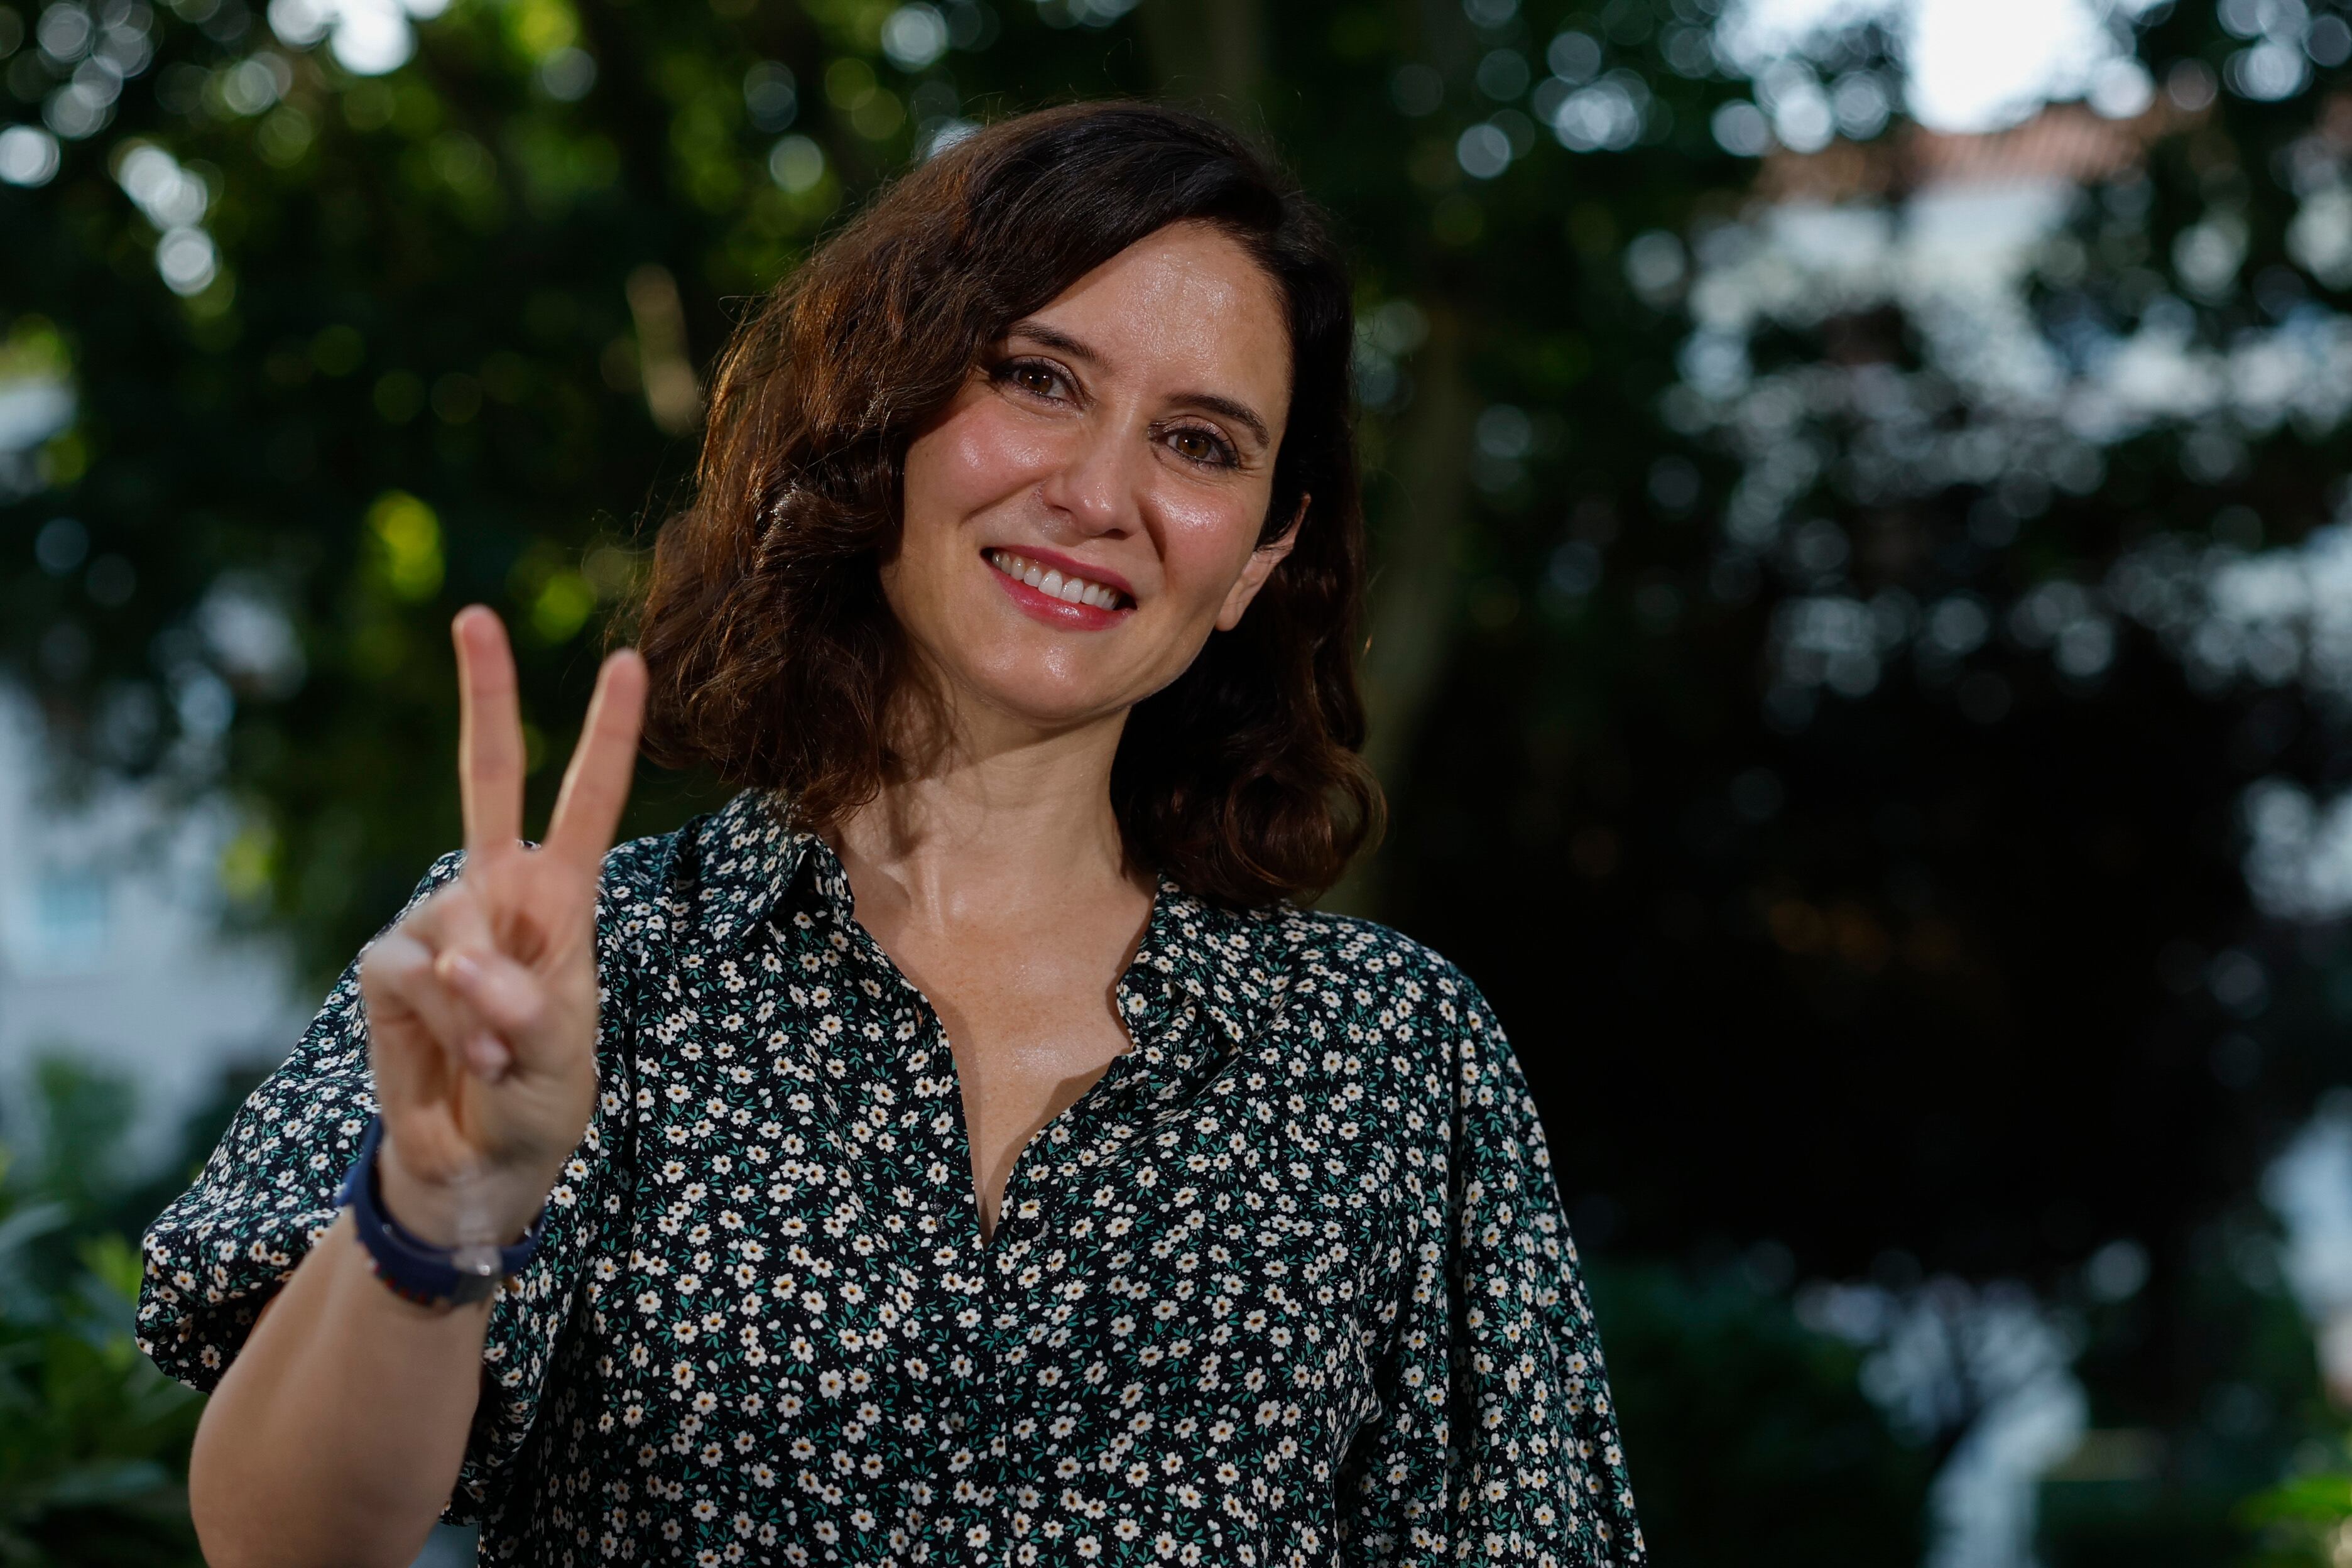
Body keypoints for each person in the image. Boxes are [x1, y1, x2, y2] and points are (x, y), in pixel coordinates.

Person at [138, 102, 1643, 1568]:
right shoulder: (556, 970)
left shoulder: (1392, 1057)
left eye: (1199, 443)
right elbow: (277, 1543)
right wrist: (438, 1215)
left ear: (1262, 556)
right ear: (893, 410)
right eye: (1041, 381)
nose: (1102, 492)